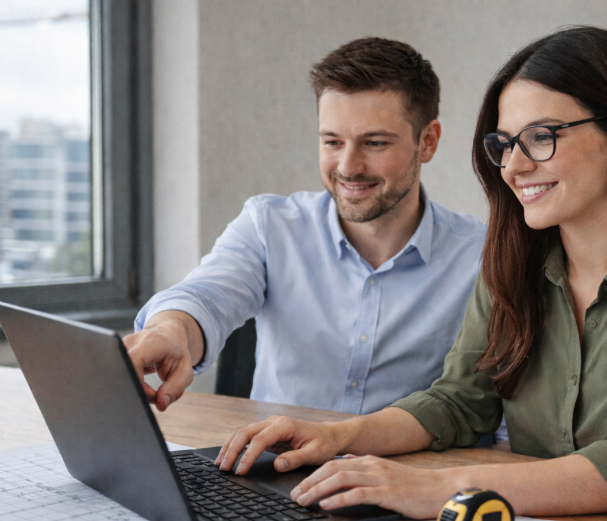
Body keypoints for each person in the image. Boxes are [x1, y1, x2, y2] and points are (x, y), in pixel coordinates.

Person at [215, 26, 607, 521]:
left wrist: (441, 490)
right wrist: (336, 437)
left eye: (542, 136)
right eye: (505, 143)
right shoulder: (512, 263)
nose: (514, 165)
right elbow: (459, 401)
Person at [125, 38, 500, 436]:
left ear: (427, 141)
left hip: (401, 480)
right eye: (332, 141)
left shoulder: (481, 256)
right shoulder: (270, 225)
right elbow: (206, 295)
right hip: (270, 469)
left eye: (374, 143)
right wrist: (171, 332)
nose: (348, 166)